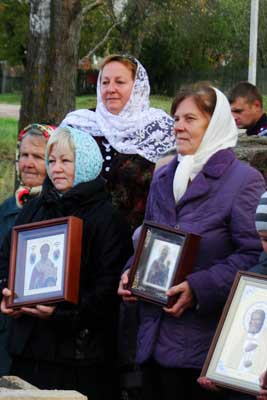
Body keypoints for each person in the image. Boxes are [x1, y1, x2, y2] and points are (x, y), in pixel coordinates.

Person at [118, 83, 265, 400]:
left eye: (190, 119)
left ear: (214, 124)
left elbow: (254, 255)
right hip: (151, 342)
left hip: (199, 348)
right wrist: (131, 273)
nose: (179, 127)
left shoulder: (243, 181)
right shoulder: (164, 177)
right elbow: (150, 237)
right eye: (175, 118)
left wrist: (199, 288)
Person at [0, 127, 133, 399]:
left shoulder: (108, 218)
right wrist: (7, 295)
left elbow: (107, 289)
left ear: (85, 162)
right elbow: (6, 259)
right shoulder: (34, 208)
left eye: (66, 161)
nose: (57, 168)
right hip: (28, 348)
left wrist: (61, 314)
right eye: (52, 161)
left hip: (79, 356)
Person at [60, 54, 175, 232]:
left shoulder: (160, 129)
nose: (110, 89)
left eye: (119, 82)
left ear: (137, 87)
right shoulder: (78, 124)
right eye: (105, 82)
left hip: (135, 239)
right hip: (79, 235)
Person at [0, 123, 55, 377]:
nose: (28, 163)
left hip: (43, 334)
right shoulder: (7, 209)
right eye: (24, 155)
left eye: (37, 156)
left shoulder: (60, 211)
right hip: (6, 325)